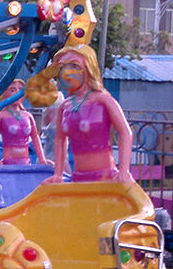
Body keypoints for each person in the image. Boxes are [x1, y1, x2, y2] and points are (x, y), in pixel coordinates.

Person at [45, 46, 132, 184]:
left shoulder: (103, 99)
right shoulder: (65, 106)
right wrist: (58, 174)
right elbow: (60, 140)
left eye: (74, 65)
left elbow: (125, 132)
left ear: (88, 67)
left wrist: (124, 170)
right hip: (78, 178)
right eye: (63, 67)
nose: (67, 72)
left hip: (105, 178)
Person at [0, 79, 46, 166]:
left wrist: (42, 159)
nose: (17, 93)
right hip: (8, 164)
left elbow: (35, 137)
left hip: (26, 164)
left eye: (20, 90)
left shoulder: (28, 116)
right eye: (12, 90)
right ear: (5, 94)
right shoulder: (0, 116)